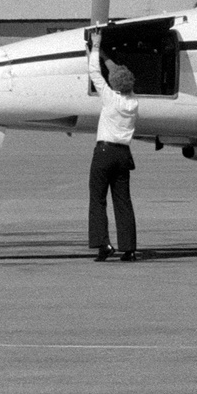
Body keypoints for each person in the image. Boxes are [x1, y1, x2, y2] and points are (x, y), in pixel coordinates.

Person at [88, 30, 140, 262]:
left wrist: (95, 48)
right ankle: (128, 248)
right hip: (123, 154)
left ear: (113, 84)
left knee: (98, 199)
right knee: (123, 201)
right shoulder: (134, 102)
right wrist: (104, 55)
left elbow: (94, 73)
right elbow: (115, 75)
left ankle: (103, 244)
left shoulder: (110, 99)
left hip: (104, 152)